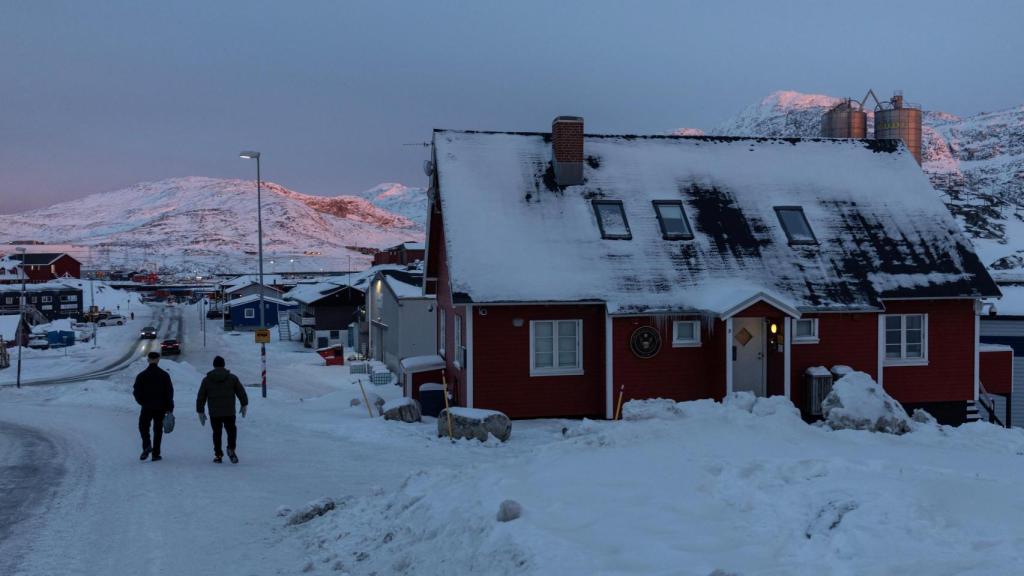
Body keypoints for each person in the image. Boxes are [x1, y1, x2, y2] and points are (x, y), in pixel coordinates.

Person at [196, 356, 249, 464]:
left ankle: (218, 454)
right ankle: (231, 448)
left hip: (214, 413)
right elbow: (241, 392)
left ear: (214, 365)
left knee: (217, 433)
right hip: (229, 411)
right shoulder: (232, 378)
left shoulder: (207, 380)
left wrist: (200, 411)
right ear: (224, 365)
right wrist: (244, 404)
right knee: (231, 431)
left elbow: (201, 396)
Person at [133, 351, 174, 461]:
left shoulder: (142, 375)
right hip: (160, 407)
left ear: (148, 360)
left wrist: (142, 402)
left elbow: (136, 391)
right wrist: (169, 408)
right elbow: (169, 392)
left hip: (146, 407)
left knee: (143, 427)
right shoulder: (164, 375)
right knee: (158, 429)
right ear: (158, 360)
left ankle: (147, 445)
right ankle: (156, 454)